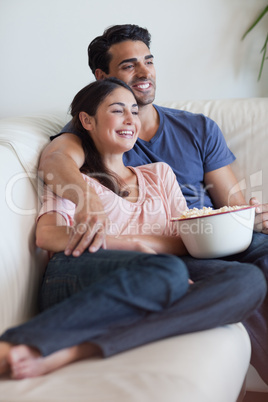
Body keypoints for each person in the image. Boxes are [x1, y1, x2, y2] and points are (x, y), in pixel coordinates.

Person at [37, 25, 268, 385]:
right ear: (102, 77)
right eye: (129, 65)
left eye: (148, 61)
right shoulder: (84, 140)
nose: (144, 72)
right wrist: (85, 203)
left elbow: (232, 204)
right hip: (165, 252)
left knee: (257, 261)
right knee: (174, 272)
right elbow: (55, 164)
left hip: (197, 233)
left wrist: (250, 218)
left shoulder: (188, 138)